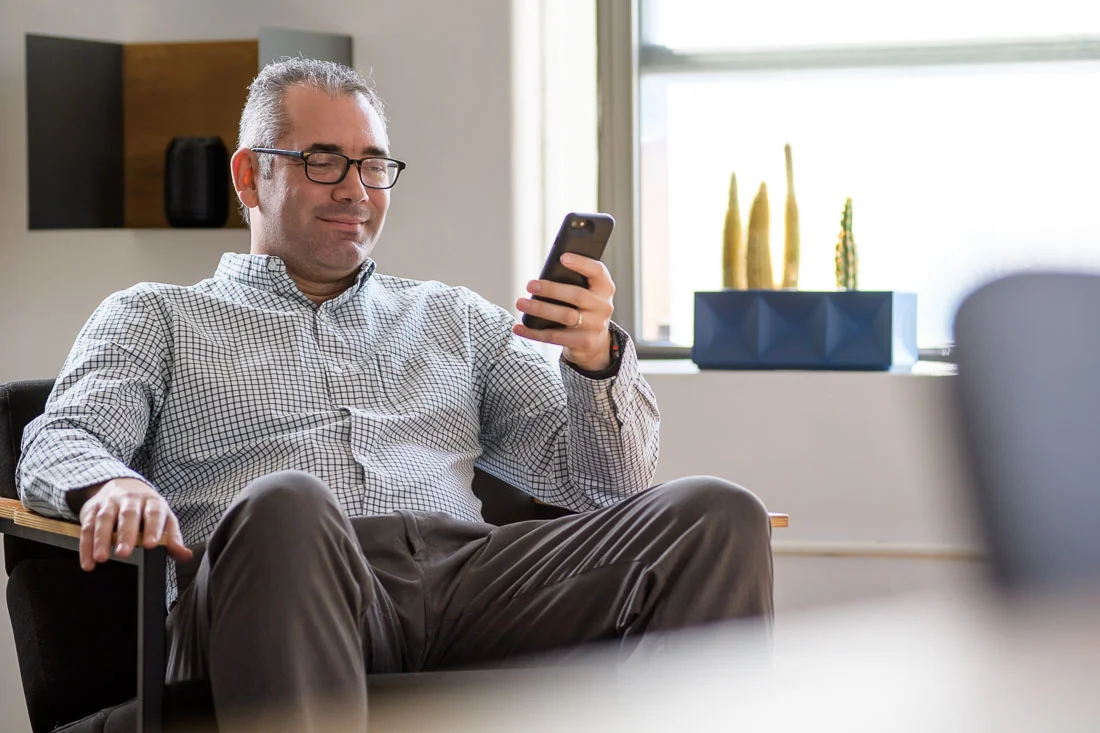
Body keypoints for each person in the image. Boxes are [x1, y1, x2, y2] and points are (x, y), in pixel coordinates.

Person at [16, 58, 773, 732]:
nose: (355, 189)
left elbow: (608, 491)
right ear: (251, 176)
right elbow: (57, 436)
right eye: (323, 161)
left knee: (715, 513)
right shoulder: (156, 315)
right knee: (289, 502)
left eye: (374, 166)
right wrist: (110, 481)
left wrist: (595, 359)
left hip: (461, 583)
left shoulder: (455, 317)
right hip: (279, 581)